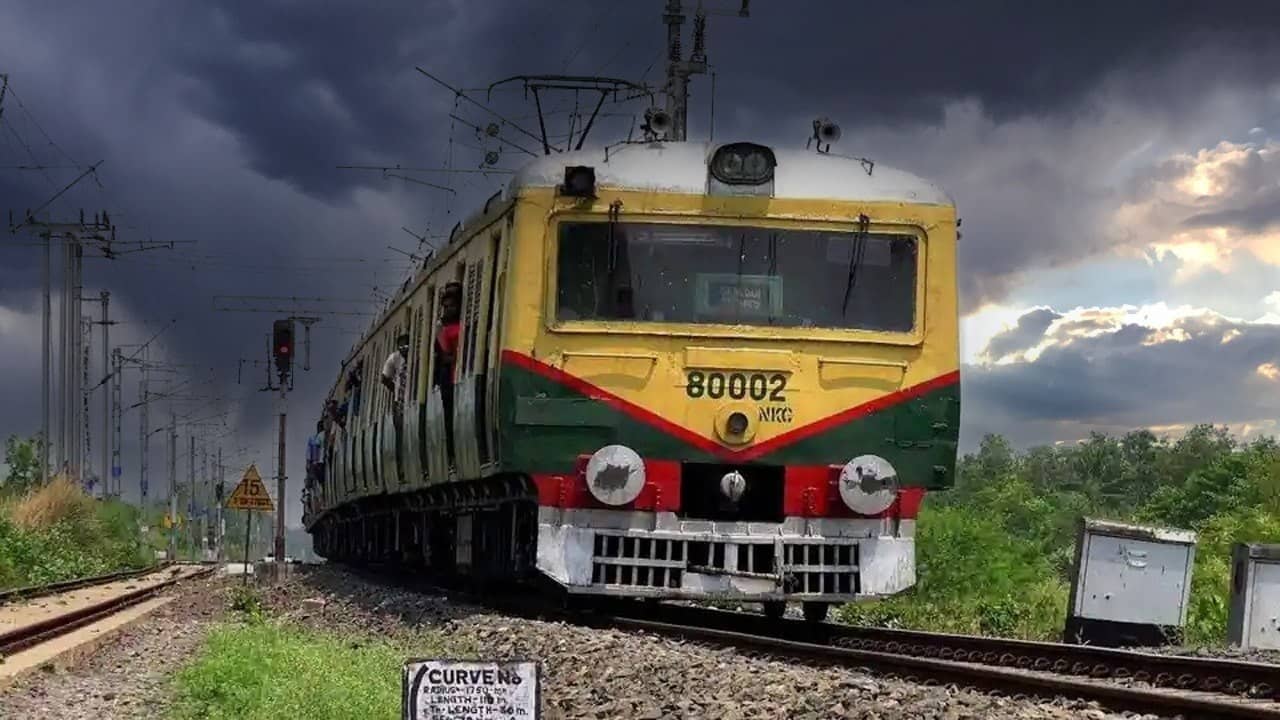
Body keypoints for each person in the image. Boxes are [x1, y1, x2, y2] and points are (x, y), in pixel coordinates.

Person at [435, 282, 462, 464]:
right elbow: (443, 355)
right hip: (450, 380)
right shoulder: (442, 328)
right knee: (450, 418)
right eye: (446, 307)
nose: (449, 310)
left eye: (452, 306)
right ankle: (452, 455)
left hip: (460, 376)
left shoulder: (463, 323)